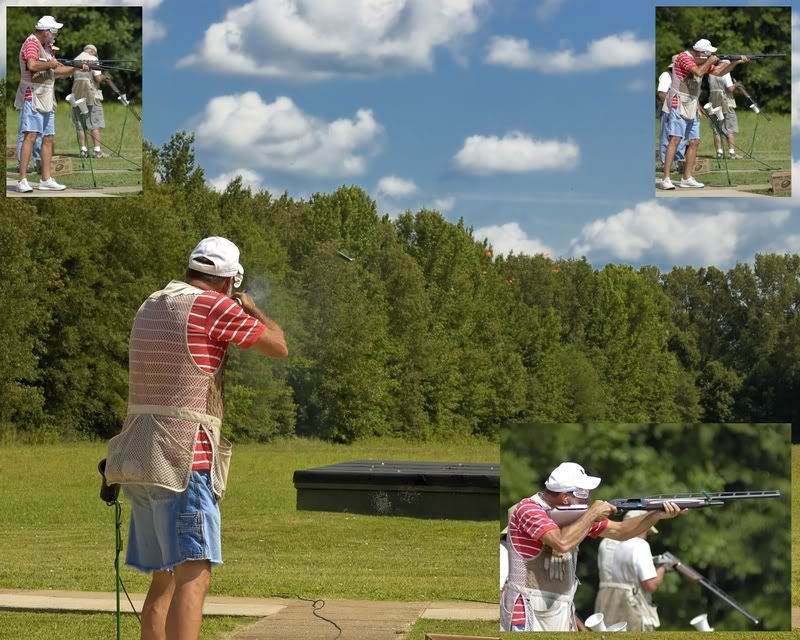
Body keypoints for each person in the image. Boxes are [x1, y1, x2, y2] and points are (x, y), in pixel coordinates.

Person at [104, 237, 288, 640]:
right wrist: (255, 311)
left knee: (163, 580)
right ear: (227, 280)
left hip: (142, 459)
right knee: (194, 574)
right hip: (186, 462)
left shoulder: (151, 303)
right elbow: (278, 346)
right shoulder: (213, 305)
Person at [499, 462, 685, 632]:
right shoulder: (528, 509)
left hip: (560, 612)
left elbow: (620, 531)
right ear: (565, 498)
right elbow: (561, 543)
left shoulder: (576, 518)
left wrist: (656, 515)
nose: (589, 498)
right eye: (584, 493)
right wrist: (593, 513)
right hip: (526, 611)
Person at [658, 39, 749, 190]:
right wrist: (711, 61)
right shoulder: (683, 58)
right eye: (709, 53)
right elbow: (699, 72)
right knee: (675, 139)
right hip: (678, 103)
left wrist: (735, 62)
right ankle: (666, 178)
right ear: (700, 53)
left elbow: (720, 72)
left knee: (694, 141)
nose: (711, 55)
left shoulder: (702, 61)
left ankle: (687, 177)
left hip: (693, 104)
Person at [13, 15, 88, 193]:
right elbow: (32, 65)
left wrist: (77, 67)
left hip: (47, 96)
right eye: (54, 31)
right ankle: (22, 180)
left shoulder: (47, 47)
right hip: (32, 95)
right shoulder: (31, 43)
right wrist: (50, 64)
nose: (55, 34)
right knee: (30, 136)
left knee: (48, 138)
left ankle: (45, 179)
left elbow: (58, 70)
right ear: (45, 31)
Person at [593, 510, 667, 632]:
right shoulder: (640, 545)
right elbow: (650, 585)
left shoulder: (605, 542)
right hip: (629, 604)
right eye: (646, 527)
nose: (646, 534)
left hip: (604, 602)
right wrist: (663, 568)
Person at [71, 44, 109, 158]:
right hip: (91, 95)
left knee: (80, 125)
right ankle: (97, 151)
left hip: (76, 95)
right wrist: (104, 77)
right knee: (94, 123)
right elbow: (97, 78)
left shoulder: (75, 60)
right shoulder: (93, 59)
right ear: (93, 52)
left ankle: (83, 151)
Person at [657, 55, 686, 171]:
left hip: (682, 110)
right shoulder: (666, 75)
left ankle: (679, 162)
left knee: (681, 138)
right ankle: (666, 164)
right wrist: (670, 108)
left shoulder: (681, 77)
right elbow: (661, 93)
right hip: (669, 110)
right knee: (667, 137)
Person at [708, 60, 740, 160]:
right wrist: (736, 85)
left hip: (713, 101)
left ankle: (719, 153)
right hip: (725, 102)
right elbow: (730, 89)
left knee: (716, 129)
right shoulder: (726, 73)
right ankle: (731, 153)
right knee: (729, 128)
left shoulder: (711, 73)